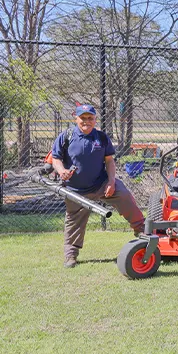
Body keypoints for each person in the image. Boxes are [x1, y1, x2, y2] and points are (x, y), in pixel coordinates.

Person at [51, 104, 145, 268]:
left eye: (90, 118)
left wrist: (111, 181)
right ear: (76, 119)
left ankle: (141, 229)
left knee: (123, 195)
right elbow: (56, 158)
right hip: (76, 190)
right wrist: (61, 171)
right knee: (73, 222)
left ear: (95, 120)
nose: (86, 121)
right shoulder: (66, 136)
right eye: (83, 118)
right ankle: (71, 255)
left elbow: (109, 161)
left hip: (100, 183)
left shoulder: (101, 138)